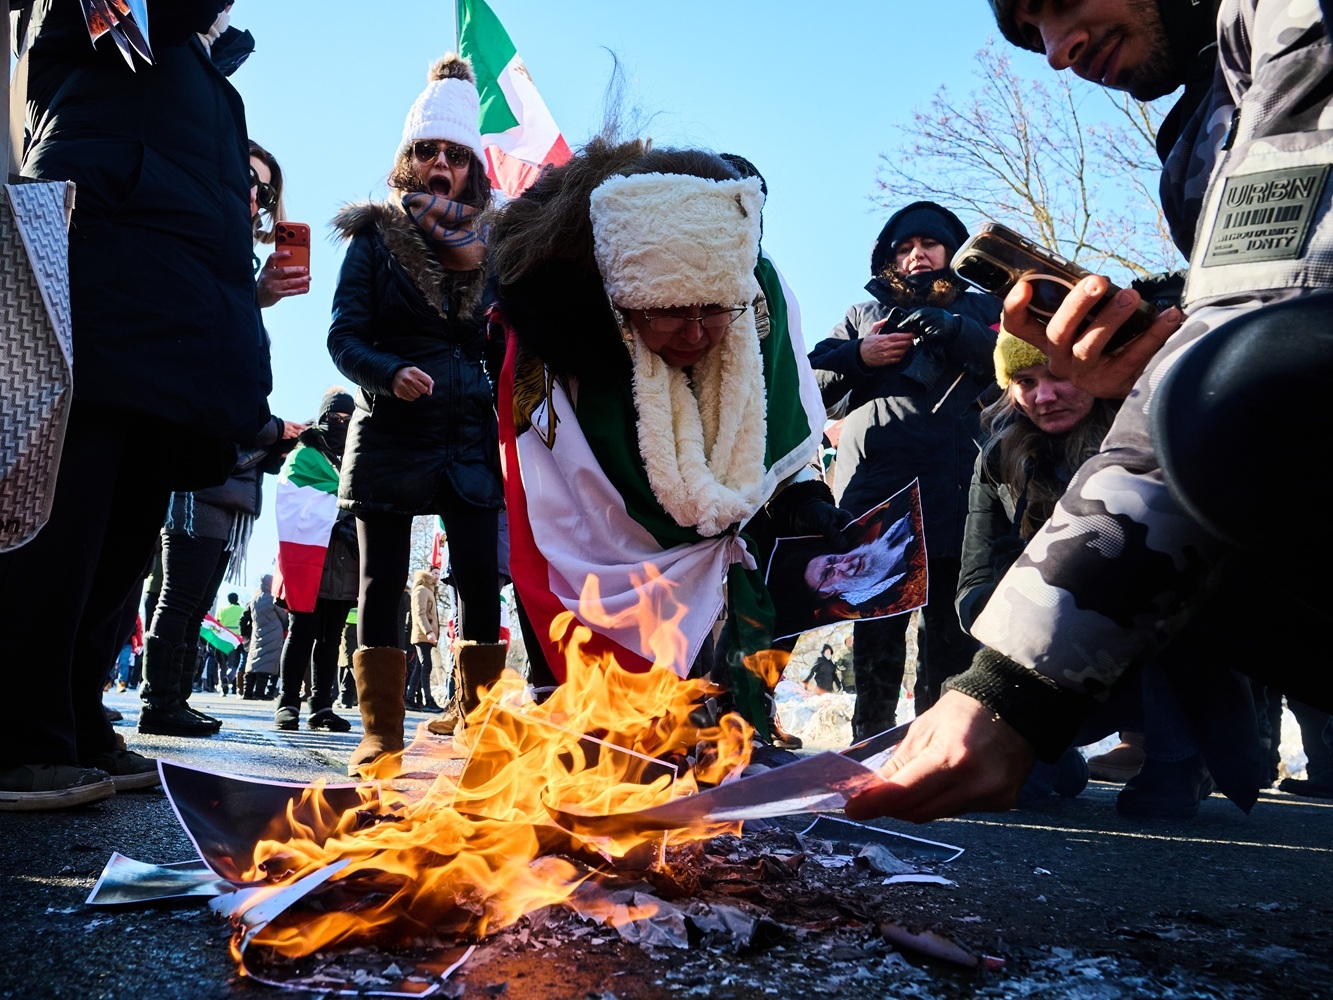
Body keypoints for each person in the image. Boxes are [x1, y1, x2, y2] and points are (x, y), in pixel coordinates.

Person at [847, 0, 1333, 824]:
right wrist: (1156, 364)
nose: (1057, 52)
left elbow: (1262, 357)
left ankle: (1190, 760)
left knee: (1218, 408)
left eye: (1058, 3)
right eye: (1028, 33)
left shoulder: (1298, 14)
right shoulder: (1197, 125)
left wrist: (1009, 694)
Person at [0, 0, 271, 809]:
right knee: (68, 506)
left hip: (182, 307)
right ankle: (20, 732)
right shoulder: (93, 10)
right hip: (102, 268)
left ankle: (79, 717)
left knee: (128, 525)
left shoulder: (208, 75)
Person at [490, 136, 837, 752]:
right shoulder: (568, 333)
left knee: (721, 731)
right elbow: (558, 499)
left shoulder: (756, 305)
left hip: (726, 558)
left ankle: (728, 741)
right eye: (672, 312)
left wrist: (801, 493)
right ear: (626, 300)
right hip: (611, 538)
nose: (697, 333)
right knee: (622, 741)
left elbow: (782, 411)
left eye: (713, 310)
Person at [327, 54, 503, 776]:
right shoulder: (374, 235)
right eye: (426, 150)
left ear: (471, 167)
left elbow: (506, 339)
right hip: (391, 425)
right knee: (380, 582)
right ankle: (381, 738)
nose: (440, 164)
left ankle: (483, 733)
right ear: (409, 159)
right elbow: (343, 335)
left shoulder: (495, 242)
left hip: (467, 428)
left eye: (454, 154)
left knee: (479, 582)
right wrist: (386, 373)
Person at [808, 202, 999, 742]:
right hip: (878, 492)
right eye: (905, 247)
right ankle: (869, 738)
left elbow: (1018, 358)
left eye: (930, 245)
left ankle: (936, 743)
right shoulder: (861, 316)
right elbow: (807, 383)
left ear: (950, 252)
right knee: (878, 623)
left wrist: (954, 328)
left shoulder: (985, 307)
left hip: (961, 489)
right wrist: (861, 355)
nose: (918, 255)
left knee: (951, 630)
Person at [137, 136, 305, 739]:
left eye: (265, 190)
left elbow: (231, 367)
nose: (256, 196)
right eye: (248, 178)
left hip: (226, 474)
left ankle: (172, 700)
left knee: (193, 595)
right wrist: (268, 427)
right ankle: (160, 701)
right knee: (178, 597)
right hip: (194, 469)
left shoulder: (238, 265)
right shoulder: (200, 239)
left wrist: (255, 297)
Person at [272, 390, 360, 733]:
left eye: (347, 419)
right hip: (309, 557)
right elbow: (292, 500)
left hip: (344, 562)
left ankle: (322, 705)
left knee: (332, 636)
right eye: (334, 417)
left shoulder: (356, 454)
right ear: (323, 417)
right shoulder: (304, 454)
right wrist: (338, 516)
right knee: (301, 632)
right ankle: (287, 702)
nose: (341, 424)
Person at [804, 513, 913, 609]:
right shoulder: (883, 609)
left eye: (834, 559)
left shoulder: (883, 519)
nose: (846, 565)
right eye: (828, 574)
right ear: (826, 593)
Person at [408, 570, 446, 714]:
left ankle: (409, 699)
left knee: (419, 668)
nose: (437, 577)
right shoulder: (421, 590)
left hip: (426, 636)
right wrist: (428, 631)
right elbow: (420, 613)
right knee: (426, 666)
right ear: (427, 577)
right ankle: (428, 700)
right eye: (434, 574)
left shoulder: (428, 590)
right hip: (423, 636)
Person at [243, 575, 286, 700]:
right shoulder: (272, 598)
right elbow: (283, 616)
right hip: (273, 634)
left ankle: (248, 692)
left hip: (257, 633)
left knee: (253, 663)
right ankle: (259, 693)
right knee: (267, 663)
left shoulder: (254, 599)